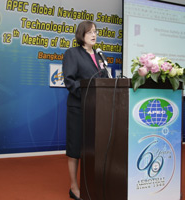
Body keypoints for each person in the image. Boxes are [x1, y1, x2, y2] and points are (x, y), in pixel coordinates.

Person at [62, 20, 108, 200]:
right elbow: (70, 81)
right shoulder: (72, 53)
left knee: (94, 148)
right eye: (89, 32)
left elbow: (103, 81)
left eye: (95, 32)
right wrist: (88, 97)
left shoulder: (99, 55)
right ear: (81, 35)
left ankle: (91, 182)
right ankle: (74, 186)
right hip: (79, 108)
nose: (94, 35)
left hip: (98, 110)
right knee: (75, 148)